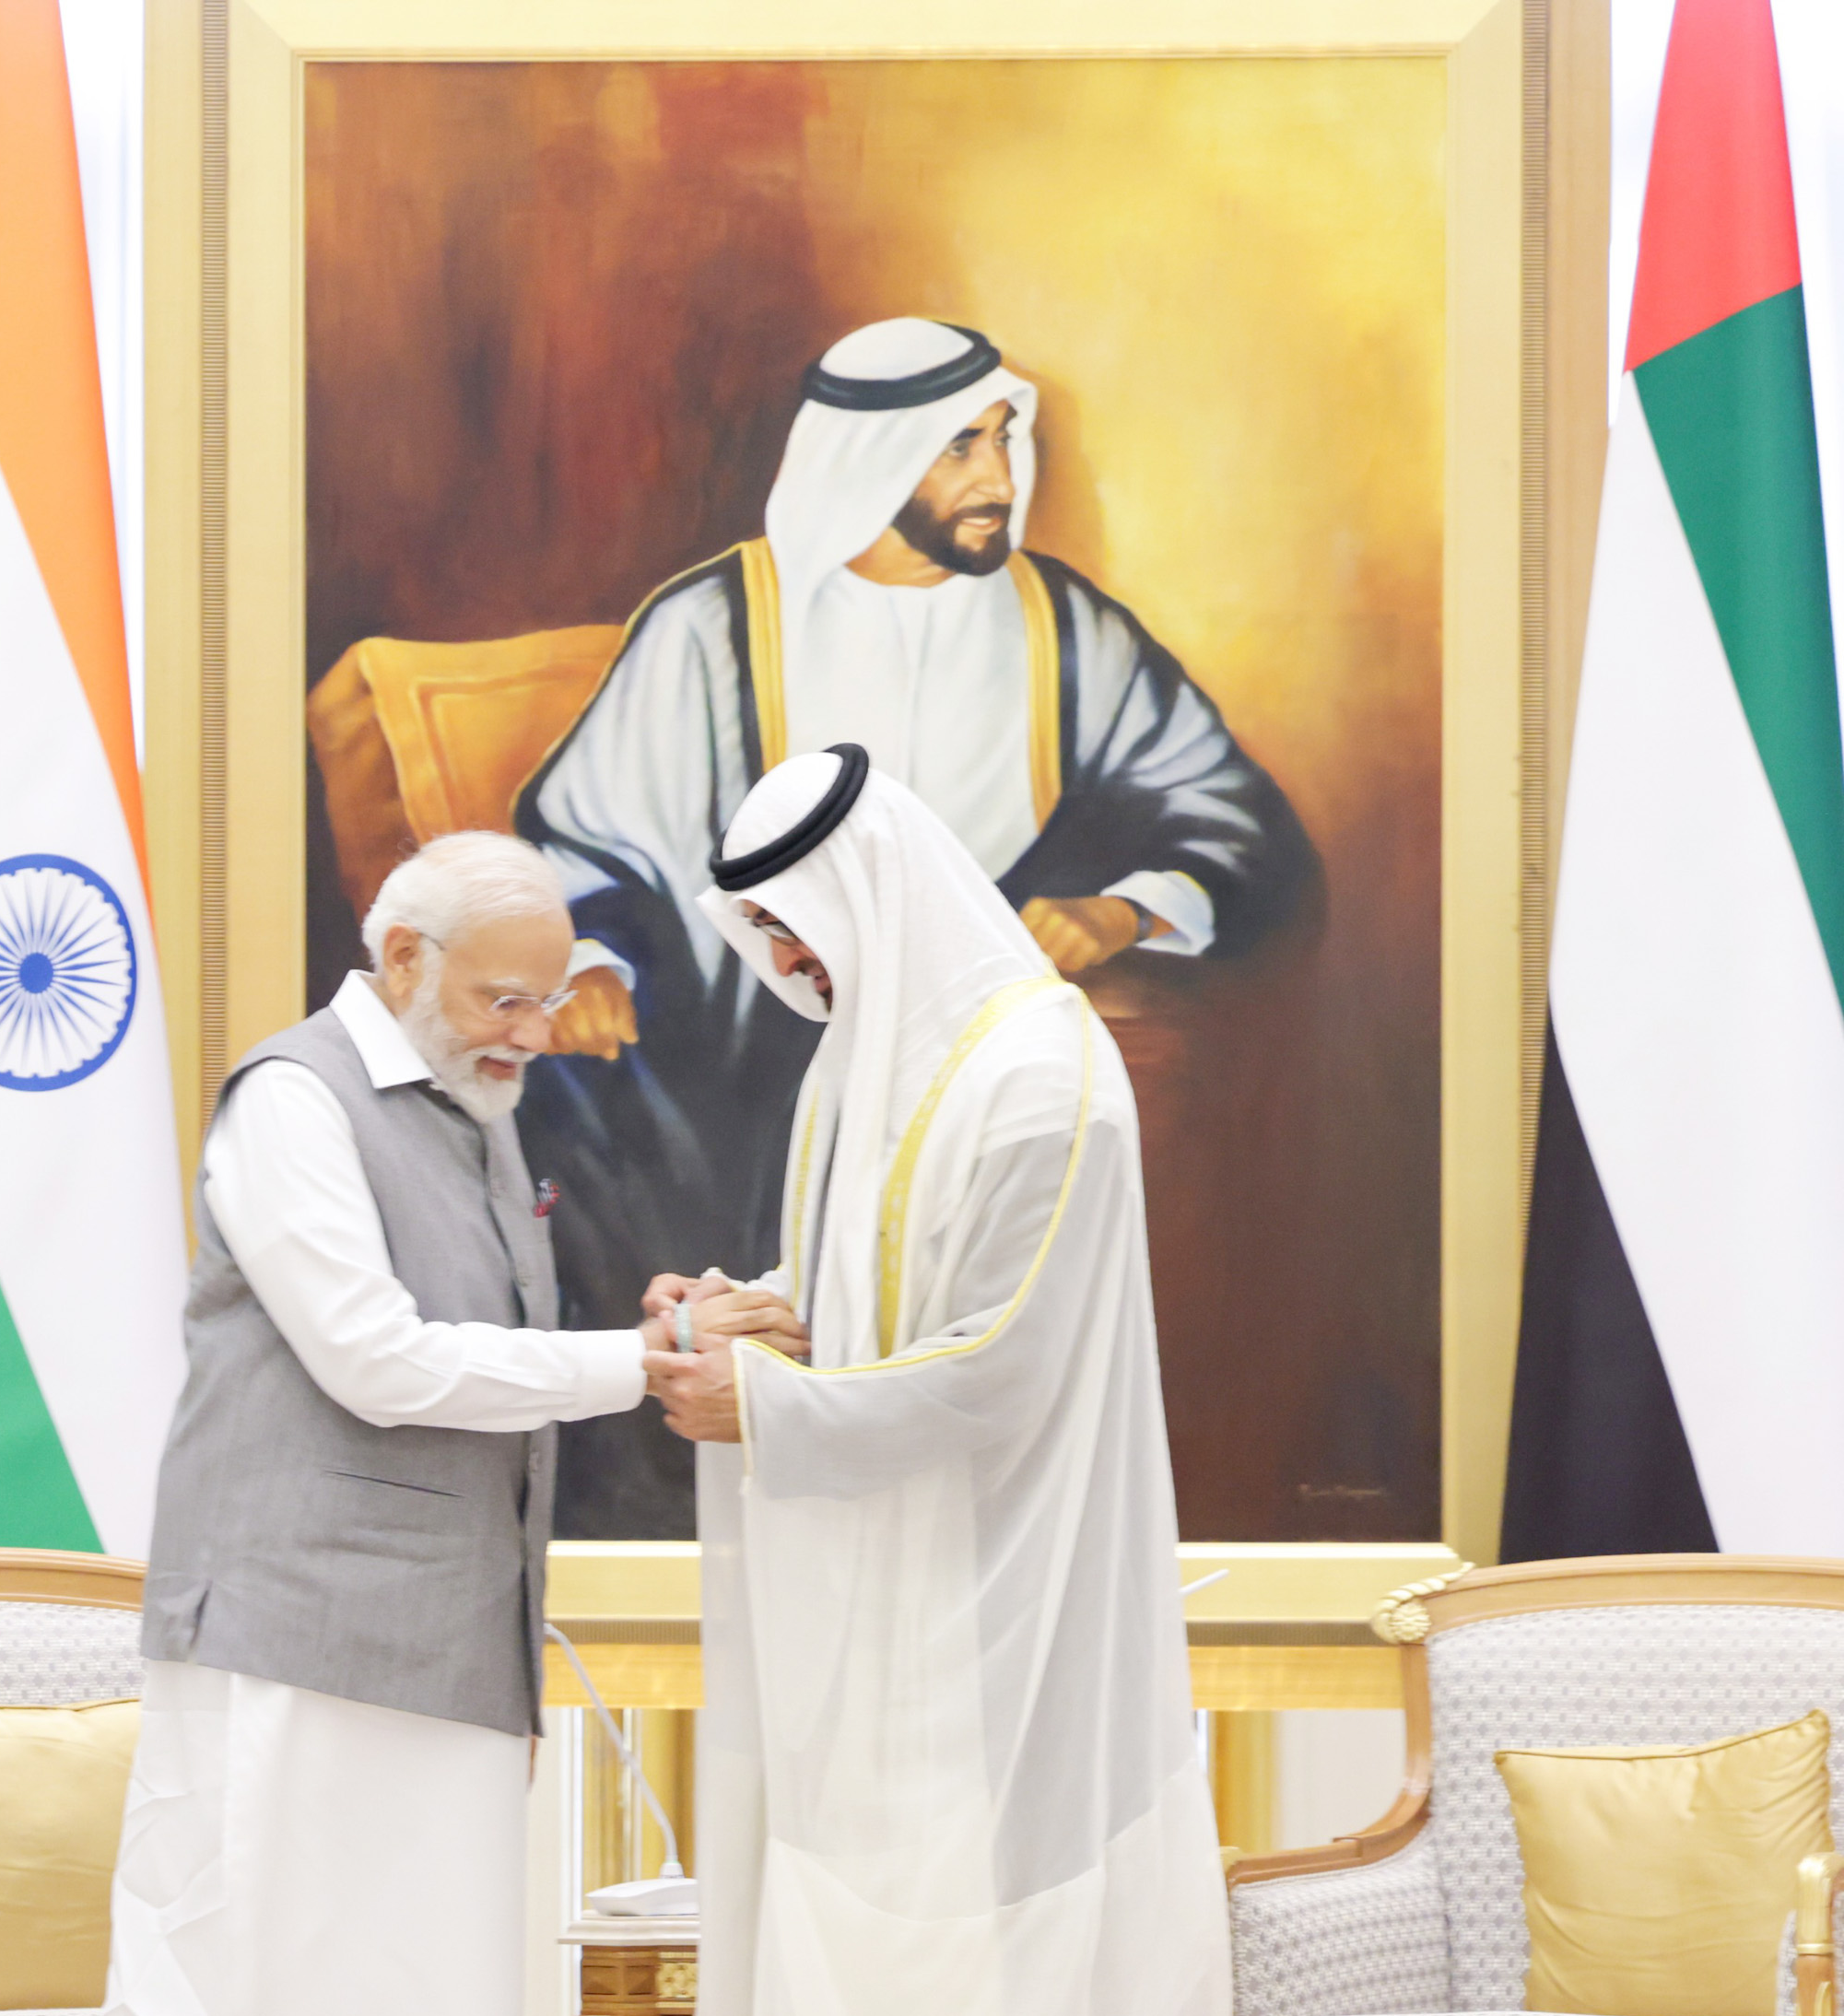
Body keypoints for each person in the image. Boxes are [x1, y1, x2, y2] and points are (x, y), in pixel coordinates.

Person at [103, 830, 797, 2016]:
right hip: (288, 1618)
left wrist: (646, 1325)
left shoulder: (477, 1105)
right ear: (400, 960)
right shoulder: (292, 1104)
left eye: (551, 1000)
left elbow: (483, 1335)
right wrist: (641, 1364)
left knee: (411, 1989)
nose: (535, 1033)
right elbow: (377, 1359)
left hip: (449, 1625)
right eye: (503, 999)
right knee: (256, 1996)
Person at [643, 746, 1231, 2016]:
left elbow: (994, 1370)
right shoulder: (865, 1065)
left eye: (793, 928)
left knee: (1000, 1982)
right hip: (878, 1609)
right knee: (858, 1972)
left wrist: (767, 1407)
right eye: (758, 936)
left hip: (1011, 1609)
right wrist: (748, 1318)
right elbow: (873, 1302)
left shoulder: (1045, 1079)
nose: (781, 964)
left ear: (874, 894)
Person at [517, 314, 1320, 1538]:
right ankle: (649, 1475)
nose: (997, 477)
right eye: (958, 448)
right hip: (727, 1051)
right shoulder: (716, 626)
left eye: (1002, 438)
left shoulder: (1063, 630)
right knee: (572, 1111)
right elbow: (584, 837)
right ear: (872, 460)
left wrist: (1123, 908)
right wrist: (590, 958)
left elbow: (1234, 817)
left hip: (965, 1054)